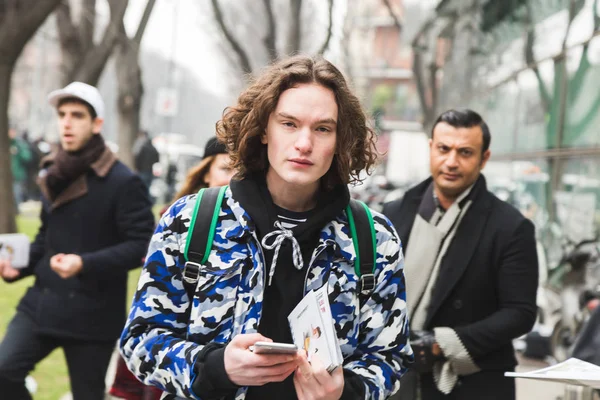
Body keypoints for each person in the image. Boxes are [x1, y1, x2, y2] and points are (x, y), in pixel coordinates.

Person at [120, 55, 413, 400]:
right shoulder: (192, 219)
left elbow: (390, 356)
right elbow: (140, 339)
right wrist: (216, 367)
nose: (304, 144)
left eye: (322, 128)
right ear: (263, 129)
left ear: (340, 140)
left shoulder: (374, 238)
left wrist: (345, 392)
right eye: (289, 124)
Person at [0, 81, 155, 400]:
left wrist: (84, 263)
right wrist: (21, 266)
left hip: (94, 315)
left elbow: (140, 245)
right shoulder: (52, 172)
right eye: (62, 114)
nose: (67, 123)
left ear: (96, 124)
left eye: (77, 115)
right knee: (4, 371)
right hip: (42, 303)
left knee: (87, 395)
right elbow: (47, 237)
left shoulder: (124, 182)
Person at [382, 109, 538, 400]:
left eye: (465, 152)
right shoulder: (395, 212)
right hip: (395, 376)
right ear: (431, 148)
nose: (451, 162)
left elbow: (521, 313)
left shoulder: (510, 228)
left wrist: (442, 343)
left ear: (484, 158)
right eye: (443, 149)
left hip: (472, 384)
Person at [109, 135, 235, 400]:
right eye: (225, 168)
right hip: (171, 361)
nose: (233, 178)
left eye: (241, 170)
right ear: (205, 173)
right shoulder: (178, 222)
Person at [9, 126, 32, 209]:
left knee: (17, 194)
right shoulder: (5, 144)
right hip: (7, 176)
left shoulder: (19, 144)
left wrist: (18, 151)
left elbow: (27, 157)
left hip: (17, 175)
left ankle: (16, 210)